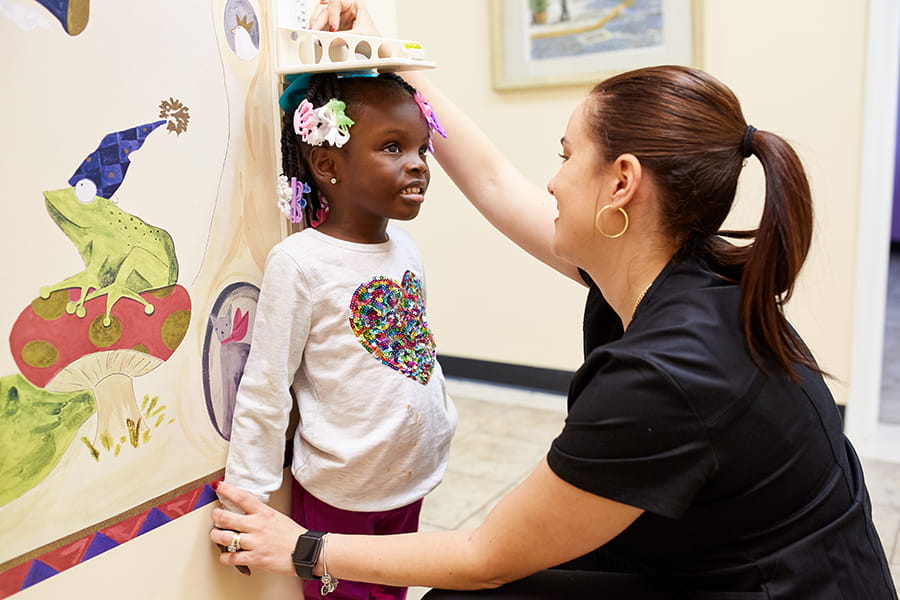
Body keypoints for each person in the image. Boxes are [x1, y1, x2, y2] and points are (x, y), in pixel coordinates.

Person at [210, 3, 899, 598]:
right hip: (728, 551)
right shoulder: (681, 270)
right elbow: (495, 181)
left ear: (622, 184)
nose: (551, 181)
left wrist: (300, 547)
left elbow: (484, 555)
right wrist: (386, 51)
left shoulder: (669, 374)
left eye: (567, 156)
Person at [220, 68, 457, 600]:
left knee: (391, 591)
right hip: (343, 493)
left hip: (409, 479)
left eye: (422, 148)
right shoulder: (300, 263)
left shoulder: (406, 249)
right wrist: (246, 504)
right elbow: (265, 386)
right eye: (393, 147)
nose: (418, 164)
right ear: (328, 164)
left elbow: (412, 350)